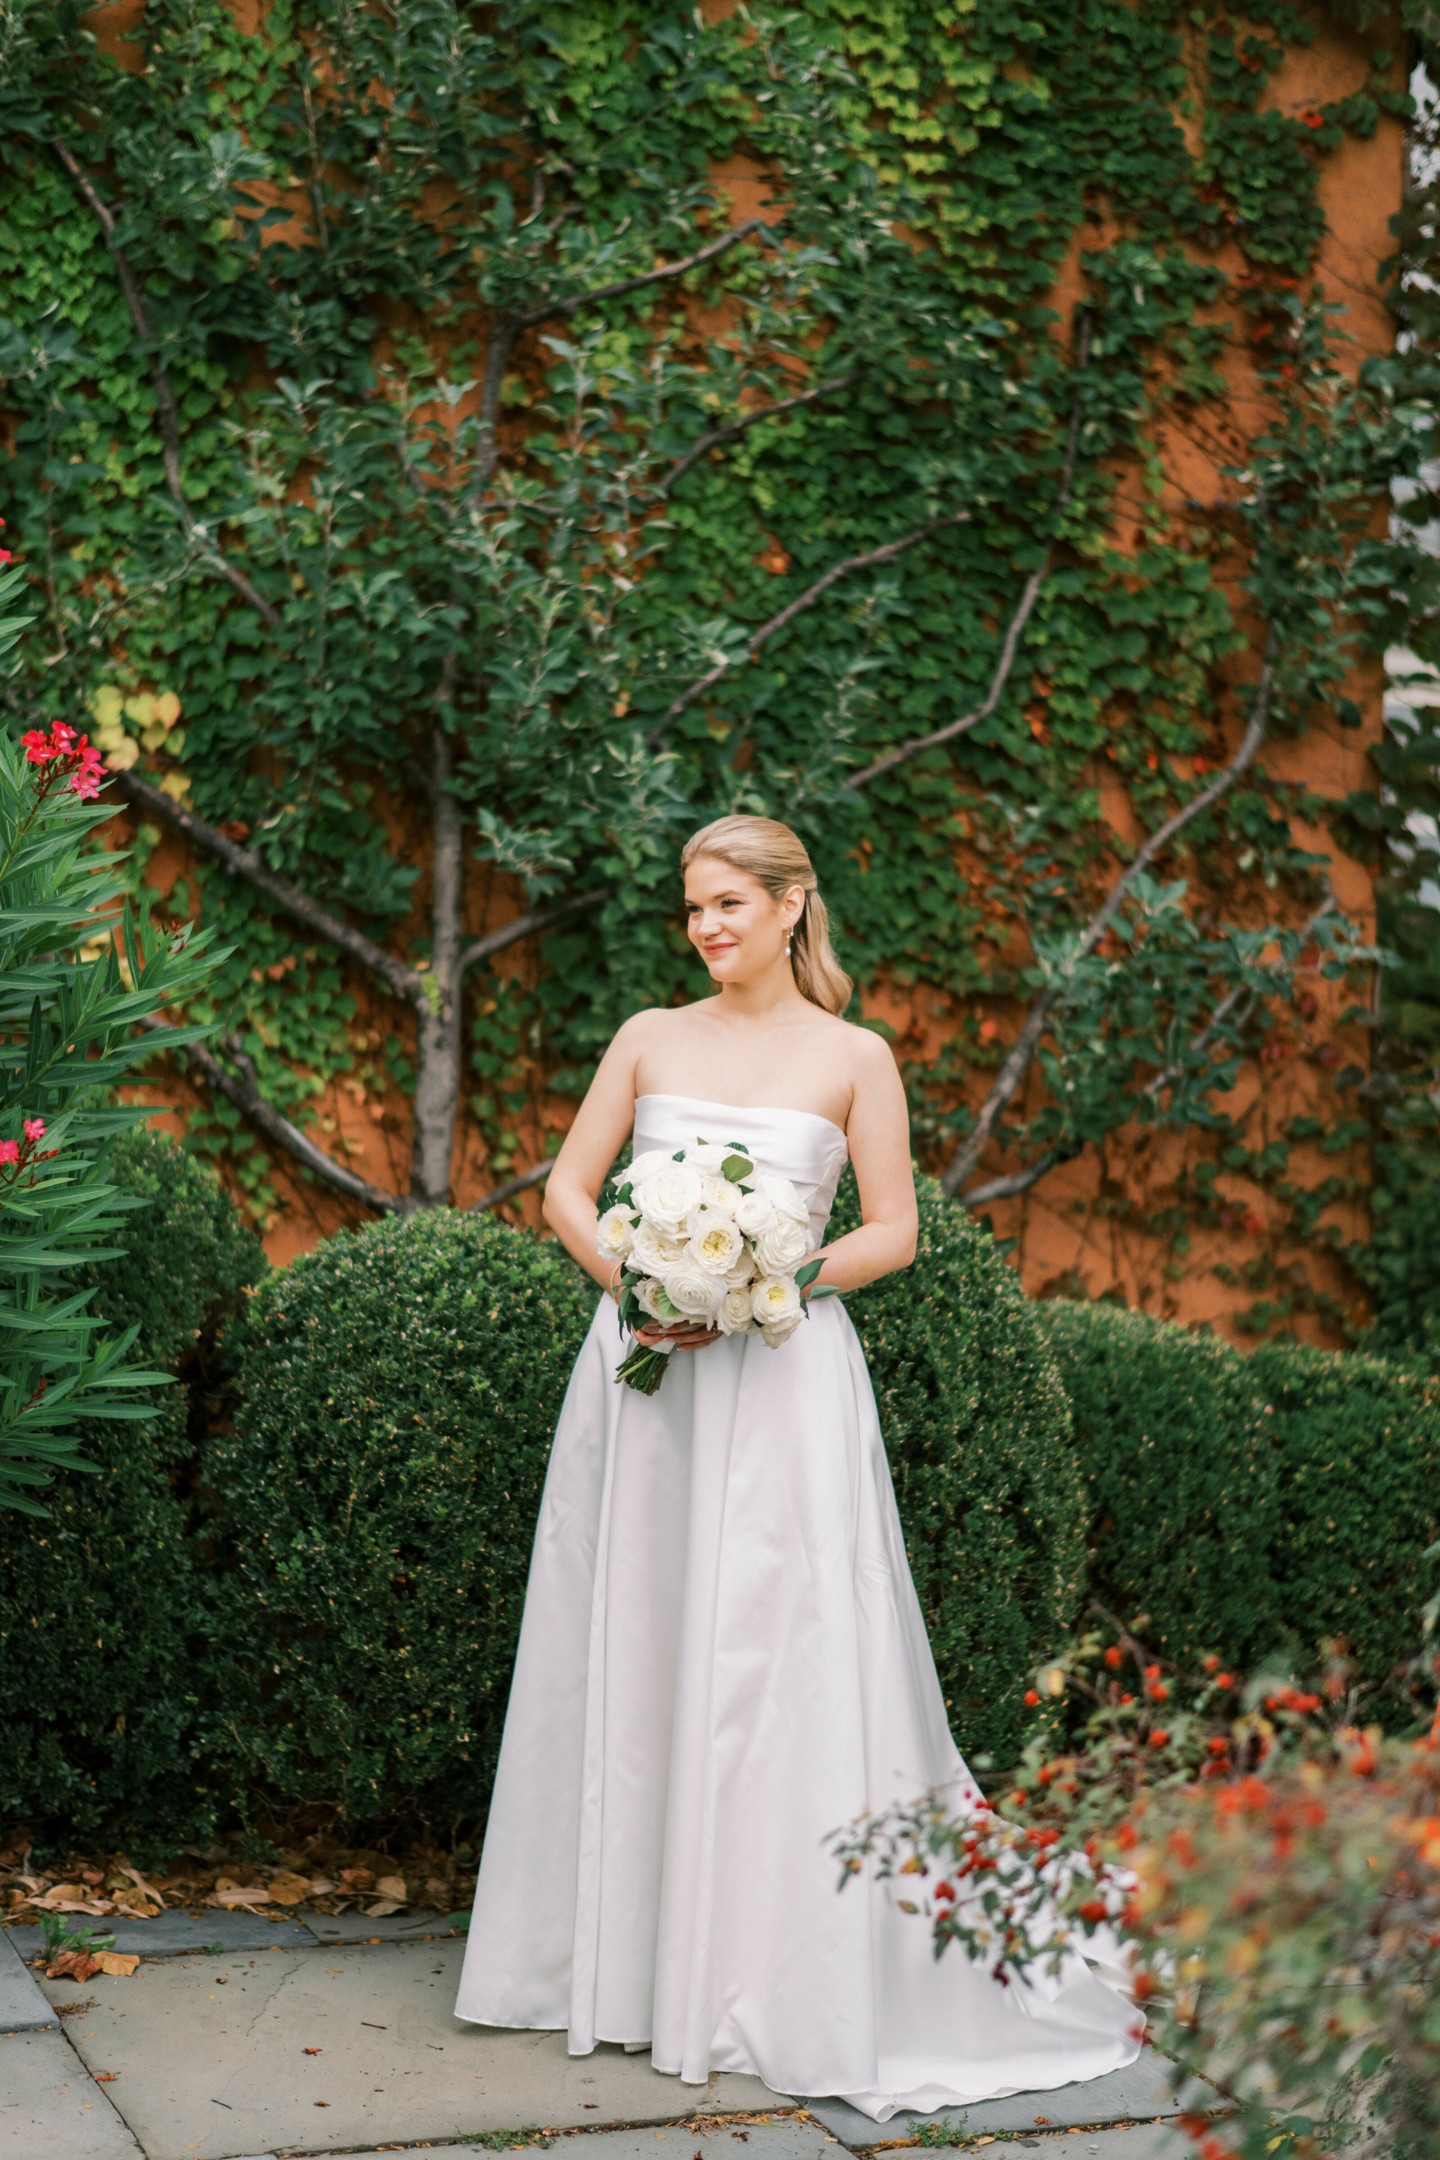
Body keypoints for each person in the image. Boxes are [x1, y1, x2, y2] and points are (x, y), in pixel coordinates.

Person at [453, 813, 1142, 2119]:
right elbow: (562, 1190)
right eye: (692, 908)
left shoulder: (854, 1057)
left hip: (780, 1380)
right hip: (644, 1378)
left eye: (727, 903)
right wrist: (645, 1286)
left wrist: (760, 1285)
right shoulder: (649, 1038)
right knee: (643, 1631)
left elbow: (892, 1231)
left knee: (776, 1653)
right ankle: (615, 1964)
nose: (706, 927)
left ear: (788, 907)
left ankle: (770, 1965)